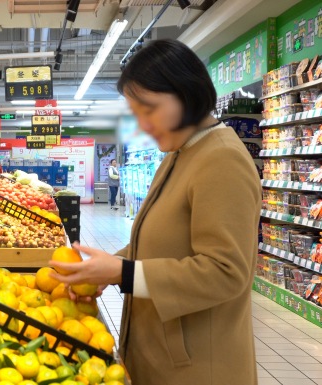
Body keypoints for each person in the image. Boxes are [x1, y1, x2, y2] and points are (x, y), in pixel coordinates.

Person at [49, 39, 260, 385]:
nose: (143, 125)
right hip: (162, 357)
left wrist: (125, 273)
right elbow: (160, 243)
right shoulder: (178, 154)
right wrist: (105, 268)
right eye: (136, 114)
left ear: (185, 93)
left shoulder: (222, 158)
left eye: (149, 110)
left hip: (198, 369)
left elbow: (227, 272)